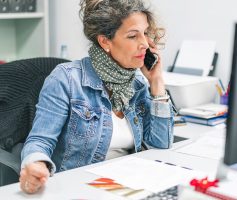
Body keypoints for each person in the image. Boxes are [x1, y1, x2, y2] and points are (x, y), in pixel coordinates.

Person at [19, 0, 174, 194]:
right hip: (79, 189)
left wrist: (157, 82)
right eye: (133, 36)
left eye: (146, 34)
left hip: (127, 185)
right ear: (105, 41)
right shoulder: (66, 79)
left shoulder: (138, 84)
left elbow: (161, 145)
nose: (144, 44)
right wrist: (37, 164)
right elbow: (40, 140)